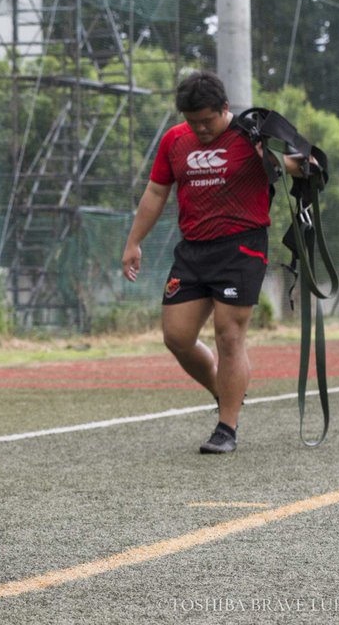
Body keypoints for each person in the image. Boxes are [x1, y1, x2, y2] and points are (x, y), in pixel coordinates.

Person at [121, 71, 304, 454]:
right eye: (193, 122)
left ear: (224, 107)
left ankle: (226, 428)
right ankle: (226, 392)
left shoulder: (252, 135)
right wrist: (134, 241)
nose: (201, 128)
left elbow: (305, 164)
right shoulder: (174, 141)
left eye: (207, 120)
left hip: (242, 246)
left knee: (229, 335)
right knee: (177, 337)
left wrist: (285, 161)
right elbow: (156, 192)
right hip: (193, 250)